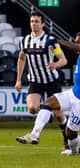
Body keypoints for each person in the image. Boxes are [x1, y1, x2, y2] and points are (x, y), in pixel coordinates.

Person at [15, 11, 69, 149]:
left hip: (52, 81)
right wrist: (18, 80)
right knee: (32, 108)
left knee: (59, 115)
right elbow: (21, 59)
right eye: (32, 21)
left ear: (43, 24)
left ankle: (66, 139)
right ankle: (46, 113)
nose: (34, 24)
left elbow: (63, 60)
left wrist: (55, 64)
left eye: (36, 21)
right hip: (35, 81)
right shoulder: (24, 41)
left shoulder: (50, 41)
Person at [23, 32, 80, 156]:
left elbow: (76, 47)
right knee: (47, 103)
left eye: (77, 40)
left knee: (71, 132)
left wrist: (58, 41)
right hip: (73, 93)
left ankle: (75, 151)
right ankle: (35, 134)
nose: (76, 42)